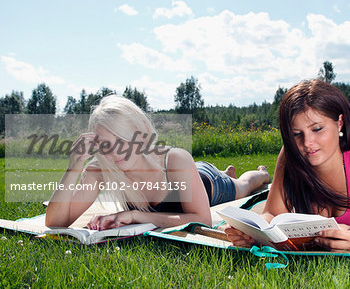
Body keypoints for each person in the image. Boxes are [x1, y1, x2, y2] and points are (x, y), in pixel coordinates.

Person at [225, 79, 350, 252]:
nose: (308, 142)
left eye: (317, 129)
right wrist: (254, 233)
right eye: (296, 133)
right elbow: (272, 214)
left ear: (340, 123)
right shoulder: (290, 154)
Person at [45, 95, 270, 230]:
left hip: (208, 184)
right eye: (106, 144)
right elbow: (54, 222)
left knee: (244, 185)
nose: (116, 152)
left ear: (141, 132)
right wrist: (74, 167)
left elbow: (203, 220)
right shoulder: (100, 169)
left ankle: (259, 172)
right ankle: (227, 172)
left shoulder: (176, 158)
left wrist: (135, 215)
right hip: (189, 175)